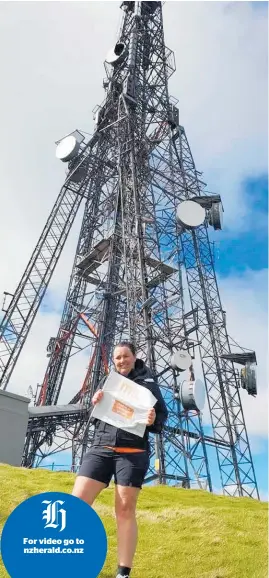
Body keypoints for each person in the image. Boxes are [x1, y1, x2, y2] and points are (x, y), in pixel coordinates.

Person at [72, 341, 168, 578]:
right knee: (76, 504)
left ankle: (123, 572)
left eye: (125, 356)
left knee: (124, 510)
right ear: (113, 361)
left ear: (135, 357)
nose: (122, 361)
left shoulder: (149, 385)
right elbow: (93, 415)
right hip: (101, 448)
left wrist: (153, 419)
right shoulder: (108, 382)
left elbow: (161, 419)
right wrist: (94, 402)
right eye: (117, 358)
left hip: (132, 453)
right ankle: (68, 558)